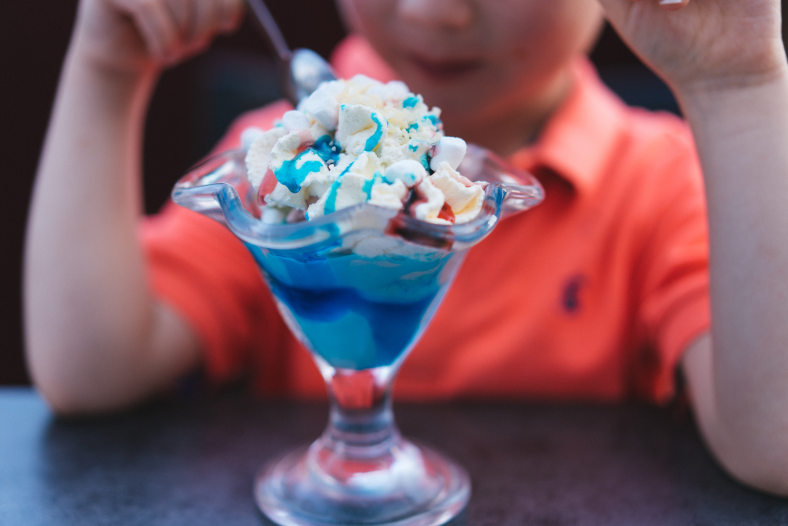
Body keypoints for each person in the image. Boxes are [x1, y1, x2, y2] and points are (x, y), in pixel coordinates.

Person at [24, 0, 788, 495]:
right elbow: (92, 371)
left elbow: (775, 444)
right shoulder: (278, 162)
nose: (434, 11)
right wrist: (107, 67)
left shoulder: (658, 184)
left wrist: (737, 85)